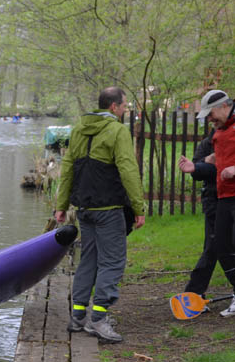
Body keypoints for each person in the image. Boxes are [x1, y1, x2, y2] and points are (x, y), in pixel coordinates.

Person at [55, 86, 145, 343]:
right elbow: (128, 170)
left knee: (89, 260)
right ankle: (99, 319)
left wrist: (62, 206)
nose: (125, 109)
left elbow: (68, 168)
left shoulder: (78, 129)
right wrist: (139, 208)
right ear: (114, 107)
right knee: (113, 262)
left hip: (84, 209)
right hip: (108, 209)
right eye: (124, 105)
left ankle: (78, 316)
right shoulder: (117, 130)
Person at [196, 89, 235, 317]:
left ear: (223, 106)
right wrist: (205, 162)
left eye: (211, 114)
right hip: (223, 197)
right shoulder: (220, 132)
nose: (209, 119)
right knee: (221, 247)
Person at [178, 130, 228, 306]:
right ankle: (194, 294)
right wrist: (207, 162)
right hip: (214, 200)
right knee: (213, 247)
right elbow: (196, 170)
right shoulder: (209, 142)